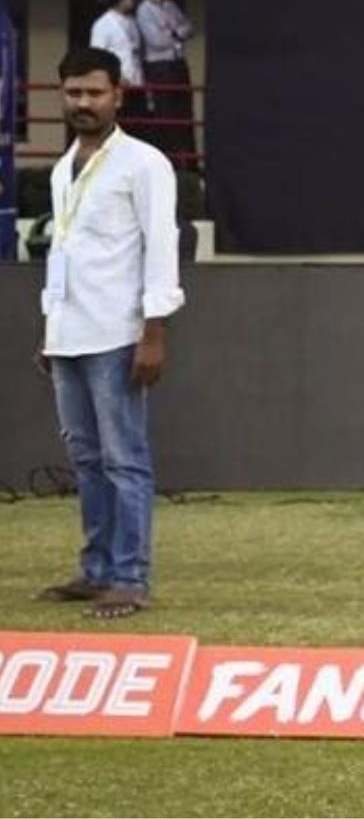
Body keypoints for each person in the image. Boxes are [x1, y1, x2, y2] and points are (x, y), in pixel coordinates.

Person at [33, 47, 184, 621]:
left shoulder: (144, 164)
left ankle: (129, 577)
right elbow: (64, 255)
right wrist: (51, 326)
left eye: (95, 92)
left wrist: (154, 330)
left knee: (125, 458)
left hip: (119, 333)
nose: (83, 103)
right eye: (73, 92)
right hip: (69, 332)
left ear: (118, 94)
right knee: (87, 459)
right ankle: (95, 570)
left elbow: (160, 249)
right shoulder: (60, 167)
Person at [135, 0, 197, 167]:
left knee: (184, 112)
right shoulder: (145, 9)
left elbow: (188, 28)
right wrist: (176, 34)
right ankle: (167, 161)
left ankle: (189, 162)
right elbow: (156, 41)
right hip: (159, 66)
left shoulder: (170, 6)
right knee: (165, 112)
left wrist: (175, 33)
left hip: (178, 62)